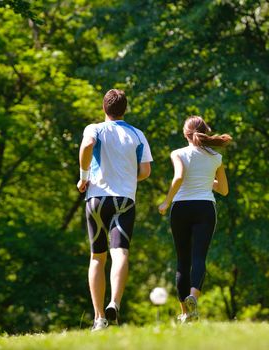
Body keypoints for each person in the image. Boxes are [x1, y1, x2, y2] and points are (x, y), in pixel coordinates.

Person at [77, 89, 153, 331]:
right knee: (120, 253)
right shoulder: (138, 134)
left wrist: (83, 177)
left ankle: (99, 318)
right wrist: (127, 177)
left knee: (97, 257)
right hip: (124, 200)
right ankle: (114, 303)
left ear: (104, 108)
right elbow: (145, 172)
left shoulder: (94, 128)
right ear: (125, 109)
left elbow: (88, 145)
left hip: (96, 199)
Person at [158, 116, 231, 323]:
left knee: (183, 262)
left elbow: (179, 177)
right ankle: (193, 299)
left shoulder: (178, 153)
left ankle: (185, 313)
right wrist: (208, 180)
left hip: (181, 208)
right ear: (205, 131)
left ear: (185, 134)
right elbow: (224, 190)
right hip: (205, 209)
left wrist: (166, 202)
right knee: (199, 258)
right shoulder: (216, 157)